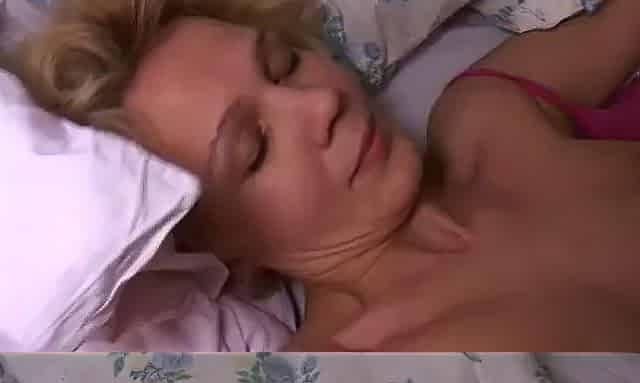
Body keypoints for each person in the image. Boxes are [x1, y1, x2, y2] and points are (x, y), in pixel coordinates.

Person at [14, 0, 640, 351]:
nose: (320, 104)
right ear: (217, 247)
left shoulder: (490, 110)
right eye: (255, 148)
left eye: (284, 65)